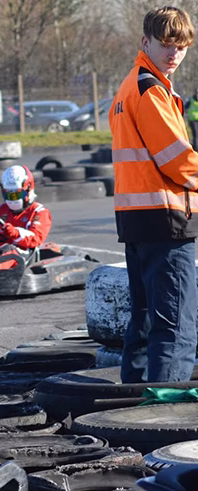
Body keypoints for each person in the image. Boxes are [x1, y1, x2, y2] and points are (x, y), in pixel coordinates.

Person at [111, 5, 198, 384]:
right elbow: (178, 160)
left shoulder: (133, 83)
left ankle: (129, 409)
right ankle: (166, 413)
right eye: (166, 45)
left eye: (181, 47)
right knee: (176, 326)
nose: (174, 54)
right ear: (145, 41)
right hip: (165, 222)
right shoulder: (151, 89)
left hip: (138, 221)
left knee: (146, 323)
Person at [0, 165, 53, 252]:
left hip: (21, 253)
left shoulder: (39, 212)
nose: (12, 199)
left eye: (16, 195)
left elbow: (36, 239)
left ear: (28, 189)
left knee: (8, 250)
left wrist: (15, 233)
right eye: (9, 195)